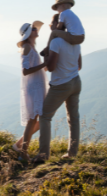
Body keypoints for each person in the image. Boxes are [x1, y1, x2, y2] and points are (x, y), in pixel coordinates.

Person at [34, 13, 82, 163]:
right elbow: (79, 66)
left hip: (61, 84)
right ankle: (72, 153)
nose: (50, 26)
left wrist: (46, 60)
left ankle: (43, 155)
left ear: (58, 24)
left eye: (51, 24)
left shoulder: (56, 42)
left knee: (45, 116)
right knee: (73, 118)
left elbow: (51, 67)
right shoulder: (76, 42)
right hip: (76, 81)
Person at [13, 21, 48, 161]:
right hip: (33, 87)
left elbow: (36, 67)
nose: (36, 30)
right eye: (34, 29)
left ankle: (19, 145)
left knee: (40, 119)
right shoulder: (27, 47)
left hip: (37, 86)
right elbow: (25, 70)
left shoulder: (31, 47)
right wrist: (44, 64)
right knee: (33, 120)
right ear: (29, 33)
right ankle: (23, 152)